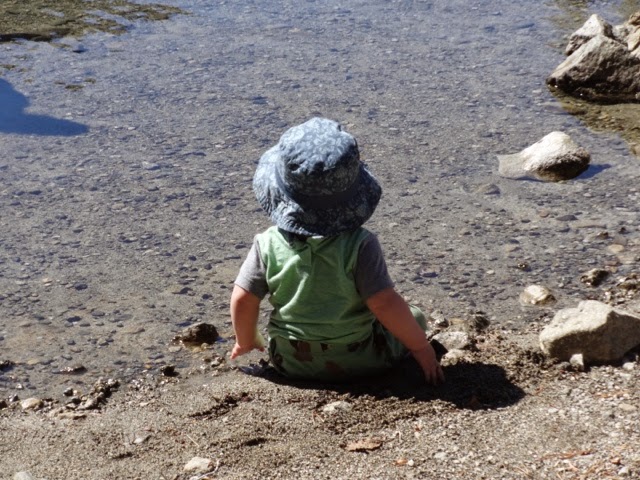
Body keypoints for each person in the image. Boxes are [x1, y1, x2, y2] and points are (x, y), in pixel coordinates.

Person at [230, 117, 444, 385]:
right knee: (415, 316)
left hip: (290, 361)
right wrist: (421, 348)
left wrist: (245, 341)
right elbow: (383, 302)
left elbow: (243, 299)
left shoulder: (266, 244)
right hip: (364, 359)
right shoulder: (360, 244)